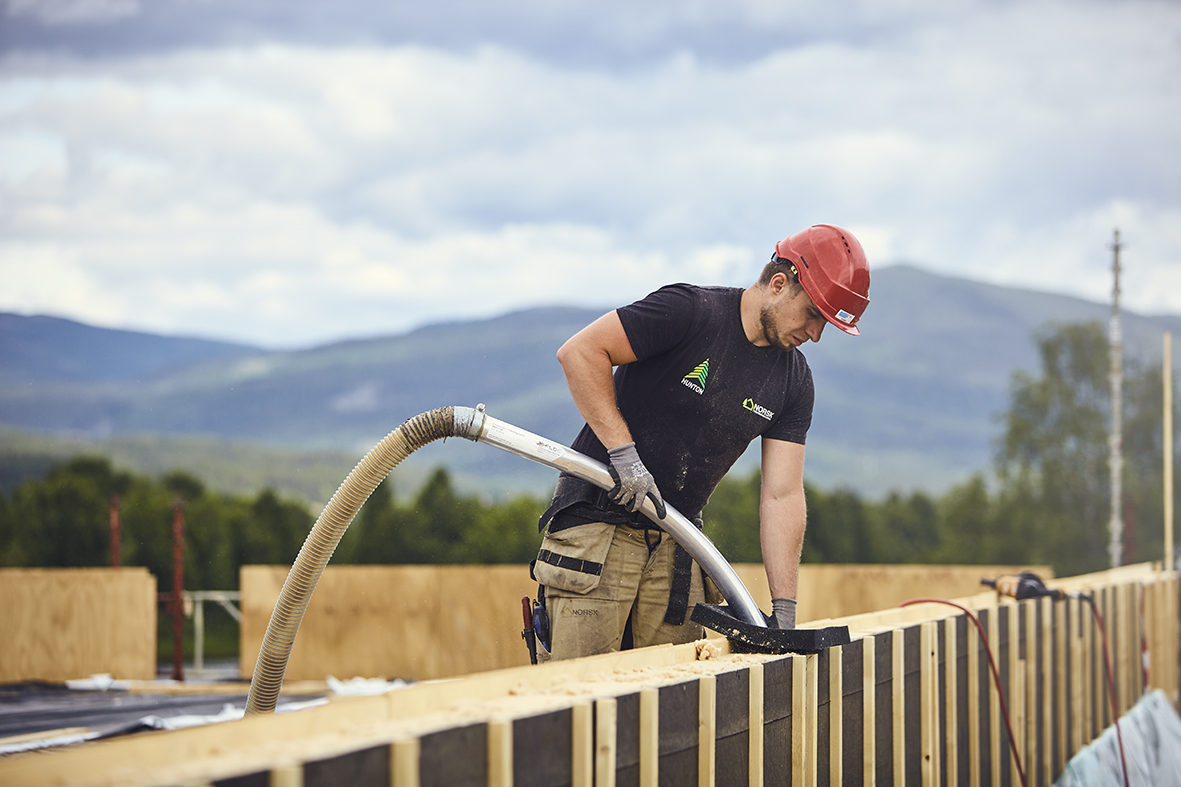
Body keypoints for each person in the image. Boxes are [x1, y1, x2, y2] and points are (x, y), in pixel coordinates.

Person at [530, 224, 870, 660]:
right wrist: (625, 456)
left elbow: (782, 494)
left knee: (673, 709)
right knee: (581, 705)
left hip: (678, 547)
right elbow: (580, 352)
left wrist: (783, 609)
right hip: (598, 530)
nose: (816, 334)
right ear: (780, 284)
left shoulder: (794, 382)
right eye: (813, 315)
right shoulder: (690, 312)